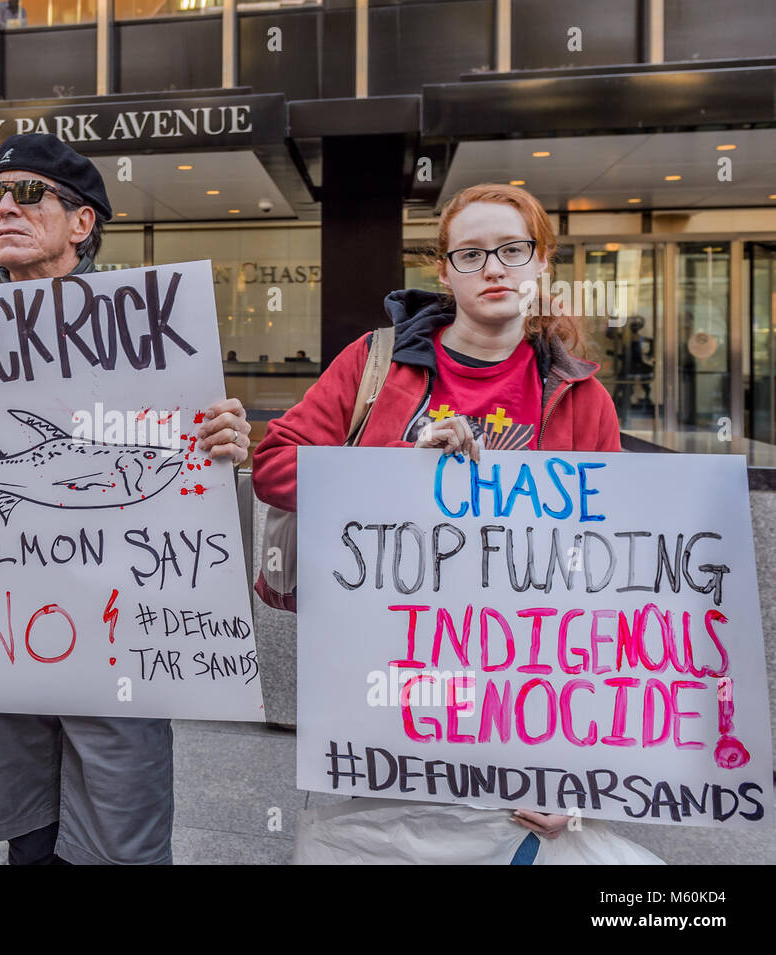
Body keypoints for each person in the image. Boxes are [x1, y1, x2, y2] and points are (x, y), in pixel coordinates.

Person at [0, 133, 252, 865]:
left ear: (83, 223)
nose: (4, 207)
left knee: (120, 838)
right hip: (6, 637)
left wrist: (223, 439)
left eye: (29, 193)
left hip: (119, 637)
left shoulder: (146, 329)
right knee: (29, 835)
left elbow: (186, 461)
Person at [252, 183, 651, 865]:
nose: (493, 268)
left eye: (512, 249)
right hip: (382, 693)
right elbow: (272, 465)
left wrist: (581, 765)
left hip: (519, 695)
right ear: (443, 271)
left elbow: (609, 583)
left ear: (541, 264)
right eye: (470, 253)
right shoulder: (376, 363)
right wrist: (400, 470)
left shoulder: (583, 398)